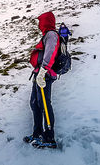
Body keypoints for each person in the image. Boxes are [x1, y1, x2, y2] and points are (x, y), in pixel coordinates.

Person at [24, 11, 59, 148]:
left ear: (46, 21)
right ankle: (37, 133)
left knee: (44, 104)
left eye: (41, 21)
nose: (39, 24)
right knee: (35, 103)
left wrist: (43, 70)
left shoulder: (51, 34)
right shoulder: (47, 35)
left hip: (44, 74)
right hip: (39, 74)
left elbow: (51, 52)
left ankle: (49, 138)